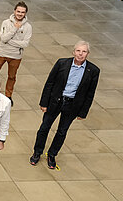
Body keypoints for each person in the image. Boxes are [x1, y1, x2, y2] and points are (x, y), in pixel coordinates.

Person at [30, 41, 99, 169]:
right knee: (44, 128)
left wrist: (83, 112)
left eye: (84, 51)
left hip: (72, 105)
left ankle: (52, 155)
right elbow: (49, 83)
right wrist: (44, 102)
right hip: (55, 101)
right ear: (73, 52)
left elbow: (90, 93)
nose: (80, 54)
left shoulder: (93, 71)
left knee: (62, 132)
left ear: (88, 54)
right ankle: (37, 152)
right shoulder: (62, 63)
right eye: (78, 51)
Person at [0, 1, 31, 102]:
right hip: (2, 53)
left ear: (25, 13)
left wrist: (10, 41)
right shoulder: (6, 23)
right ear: (14, 11)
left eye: (22, 12)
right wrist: (15, 29)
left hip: (16, 56)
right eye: (18, 11)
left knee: (12, 76)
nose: (20, 14)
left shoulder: (28, 27)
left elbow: (25, 44)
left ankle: (8, 96)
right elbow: (3, 39)